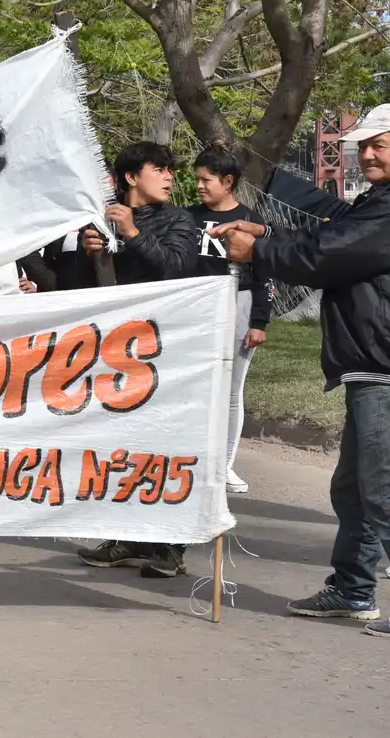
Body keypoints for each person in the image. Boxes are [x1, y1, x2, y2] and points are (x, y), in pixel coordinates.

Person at [211, 104, 390, 632]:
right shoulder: (375, 203)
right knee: (356, 490)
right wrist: (265, 232)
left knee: (380, 492)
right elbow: (334, 237)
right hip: (369, 368)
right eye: (365, 145)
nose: (369, 153)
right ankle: (353, 590)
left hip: (382, 370)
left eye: (380, 143)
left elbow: (325, 254)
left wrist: (260, 247)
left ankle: (354, 588)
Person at [75, 141, 198, 578]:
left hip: (165, 350)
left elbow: (178, 270)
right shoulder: (99, 217)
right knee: (119, 445)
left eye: (170, 170)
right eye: (159, 169)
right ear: (131, 177)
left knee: (165, 446)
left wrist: (132, 234)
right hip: (112, 351)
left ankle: (169, 546)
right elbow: (73, 287)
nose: (169, 177)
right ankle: (126, 535)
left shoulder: (179, 219)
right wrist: (88, 253)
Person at [190, 146, 272, 494]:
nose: (199, 186)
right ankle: (192, 459)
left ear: (228, 181)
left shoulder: (249, 219)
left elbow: (265, 276)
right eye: (196, 179)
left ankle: (223, 465)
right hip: (195, 306)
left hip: (238, 304)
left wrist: (259, 322)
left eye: (205, 180)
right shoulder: (185, 217)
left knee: (232, 389)